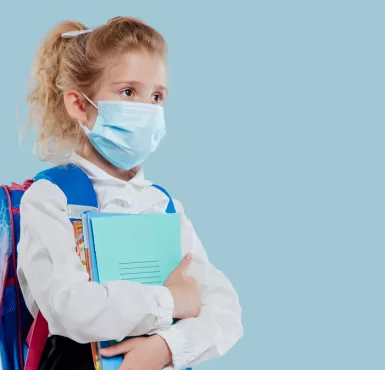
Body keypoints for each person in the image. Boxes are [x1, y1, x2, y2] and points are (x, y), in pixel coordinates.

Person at [16, 17, 243, 370]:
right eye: (128, 92)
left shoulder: (164, 206)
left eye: (156, 96)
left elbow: (225, 312)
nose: (146, 110)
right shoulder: (51, 199)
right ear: (80, 105)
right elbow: (71, 308)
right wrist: (171, 302)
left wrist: (166, 348)